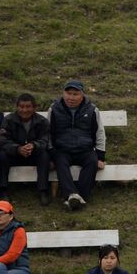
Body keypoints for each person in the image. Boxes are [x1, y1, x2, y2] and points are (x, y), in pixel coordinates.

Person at [47, 80, 107, 211]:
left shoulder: (92, 109)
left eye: (75, 94)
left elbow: (99, 132)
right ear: (63, 93)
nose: (71, 97)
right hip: (62, 149)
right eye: (68, 93)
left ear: (82, 95)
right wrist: (51, 154)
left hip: (85, 149)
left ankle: (78, 196)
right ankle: (72, 195)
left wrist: (100, 156)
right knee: (60, 162)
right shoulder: (54, 109)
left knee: (92, 161)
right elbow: (48, 133)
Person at [0, 94, 52, 208]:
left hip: (33, 154)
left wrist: (34, 146)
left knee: (44, 155)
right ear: (17, 107)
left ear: (34, 107)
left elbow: (45, 140)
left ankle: (43, 190)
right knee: (3, 155)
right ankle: (2, 190)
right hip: (15, 155)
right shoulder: (8, 120)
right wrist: (17, 149)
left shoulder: (42, 121)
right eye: (21, 106)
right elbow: (3, 141)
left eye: (28, 107)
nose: (25, 110)